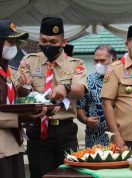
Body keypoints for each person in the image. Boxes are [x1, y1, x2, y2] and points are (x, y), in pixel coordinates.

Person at [16, 17, 87, 178]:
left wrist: (66, 87)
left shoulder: (75, 64)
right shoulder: (28, 61)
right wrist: (24, 85)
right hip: (37, 130)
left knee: (68, 175)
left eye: (53, 41)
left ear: (63, 42)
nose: (47, 45)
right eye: (44, 40)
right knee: (40, 174)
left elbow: (80, 89)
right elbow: (20, 94)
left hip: (65, 130)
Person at [0, 20, 53, 178]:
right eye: (10, 41)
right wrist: (20, 118)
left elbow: (11, 101)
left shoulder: (8, 70)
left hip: (13, 145)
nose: (14, 46)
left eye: (16, 42)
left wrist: (27, 88)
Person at [77, 44, 115, 147]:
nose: (98, 64)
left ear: (114, 60)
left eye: (102, 61)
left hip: (118, 137)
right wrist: (85, 119)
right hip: (94, 139)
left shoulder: (121, 79)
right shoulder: (88, 81)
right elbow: (80, 106)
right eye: (96, 61)